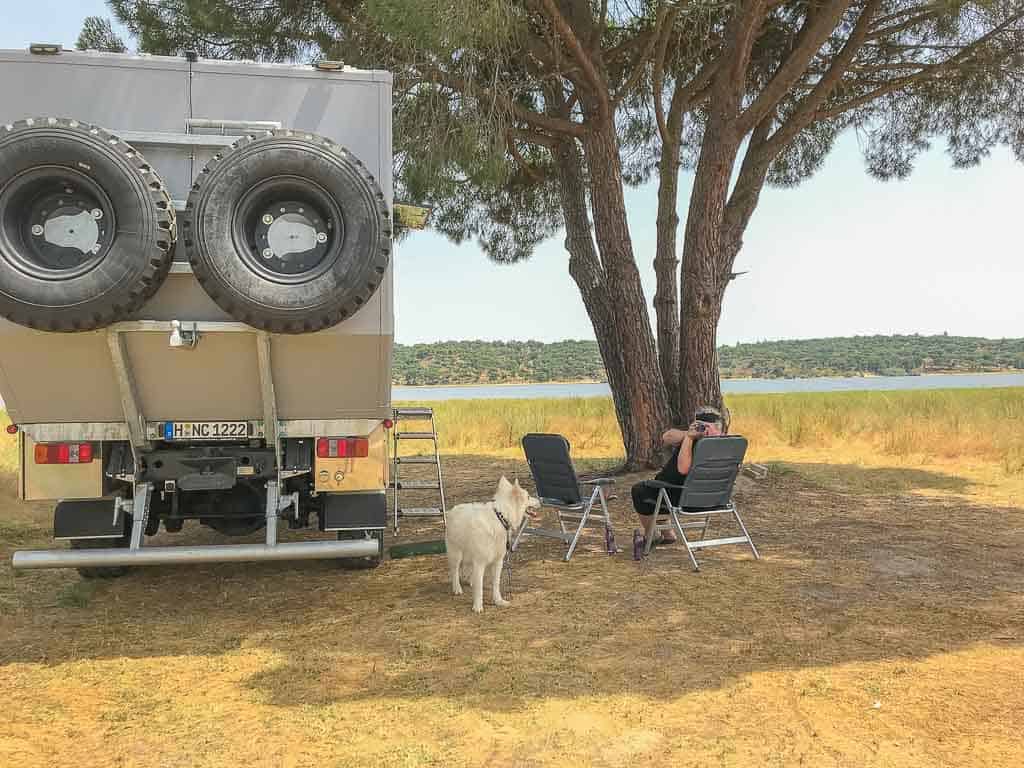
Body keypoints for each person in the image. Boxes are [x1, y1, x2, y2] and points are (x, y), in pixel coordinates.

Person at [631, 405, 727, 545]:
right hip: (715, 499)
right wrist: (689, 434)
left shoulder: (698, 444)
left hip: (684, 498)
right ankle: (667, 533)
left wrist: (688, 438)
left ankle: (651, 534)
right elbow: (667, 437)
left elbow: (683, 469)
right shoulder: (730, 445)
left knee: (640, 491)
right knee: (658, 491)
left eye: (702, 426)